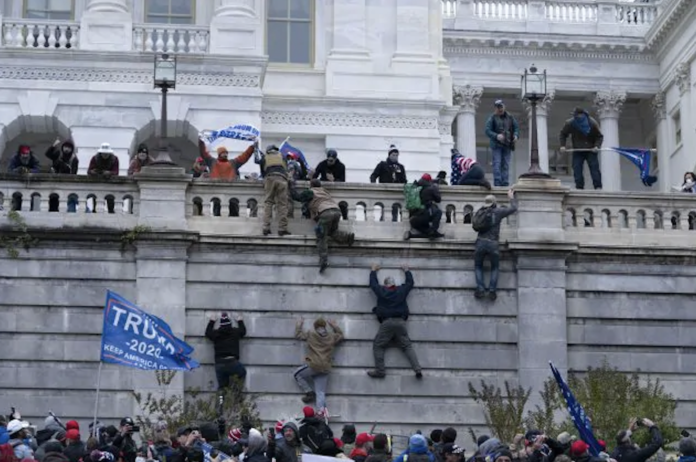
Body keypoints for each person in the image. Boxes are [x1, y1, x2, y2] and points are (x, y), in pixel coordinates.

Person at [367, 264, 422, 379]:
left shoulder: (382, 291)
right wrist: (407, 270)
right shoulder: (401, 291)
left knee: (378, 345)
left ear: (386, 284)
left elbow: (373, 284)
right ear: (394, 284)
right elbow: (410, 283)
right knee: (407, 346)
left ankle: (380, 371)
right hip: (401, 322)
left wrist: (373, 271)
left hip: (387, 323)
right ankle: (417, 369)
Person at [290, 179, 355, 273]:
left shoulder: (311, 191)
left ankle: (323, 260)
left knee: (321, 235)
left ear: (311, 185)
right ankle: (347, 237)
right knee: (331, 231)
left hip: (325, 213)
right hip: (336, 212)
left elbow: (297, 197)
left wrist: (291, 187)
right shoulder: (325, 191)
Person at [472, 189, 518, 301]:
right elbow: (513, 208)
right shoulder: (498, 212)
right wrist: (511, 197)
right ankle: (492, 290)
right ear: (494, 203)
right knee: (495, 267)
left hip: (480, 241)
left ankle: (480, 289)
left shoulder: (479, 212)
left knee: (478, 266)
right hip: (493, 243)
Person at [294, 317, 344, 412]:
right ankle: (321, 412)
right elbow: (341, 335)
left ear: (315, 327)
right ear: (325, 327)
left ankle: (309, 392)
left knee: (297, 374)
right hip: (325, 367)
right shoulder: (332, 337)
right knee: (320, 392)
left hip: (314, 365)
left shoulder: (311, 334)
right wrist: (334, 326)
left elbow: (298, 335)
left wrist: (299, 324)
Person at [559, 107, 604, 190]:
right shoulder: (570, 123)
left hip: (591, 150)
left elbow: (599, 136)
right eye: (575, 116)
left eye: (578, 116)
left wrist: (597, 146)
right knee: (577, 169)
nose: (577, 118)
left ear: (583, 115)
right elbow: (563, 134)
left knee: (594, 168)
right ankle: (579, 187)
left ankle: (598, 186)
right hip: (578, 150)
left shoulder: (592, 123)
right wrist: (562, 145)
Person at [205, 312, 247, 390]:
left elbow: (208, 333)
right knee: (242, 373)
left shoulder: (216, 333)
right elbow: (243, 331)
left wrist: (212, 321)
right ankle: (236, 396)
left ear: (220, 325)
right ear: (230, 324)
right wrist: (240, 320)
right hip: (232, 362)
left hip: (220, 363)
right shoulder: (234, 332)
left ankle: (221, 401)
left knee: (222, 387)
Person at [484, 100, 519, 187]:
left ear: (504, 107)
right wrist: (496, 136)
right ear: (495, 108)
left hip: (507, 144)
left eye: (501, 107)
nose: (500, 109)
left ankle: (505, 183)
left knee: (506, 164)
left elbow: (516, 128)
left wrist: (515, 135)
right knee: (497, 163)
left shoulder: (510, 117)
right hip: (496, 145)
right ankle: (498, 183)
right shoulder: (492, 118)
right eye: (498, 107)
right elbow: (487, 130)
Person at [258, 145, 290, 236]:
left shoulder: (265, 157)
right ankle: (282, 229)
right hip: (282, 178)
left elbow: (263, 173)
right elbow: (286, 169)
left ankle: (266, 227)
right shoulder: (282, 156)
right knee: (282, 204)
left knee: (268, 202)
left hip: (270, 178)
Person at [404, 174, 444, 240]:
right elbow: (438, 199)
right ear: (429, 181)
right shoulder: (431, 188)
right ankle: (433, 231)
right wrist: (435, 188)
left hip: (413, 219)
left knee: (427, 231)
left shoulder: (415, 187)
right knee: (438, 212)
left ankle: (415, 235)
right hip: (425, 215)